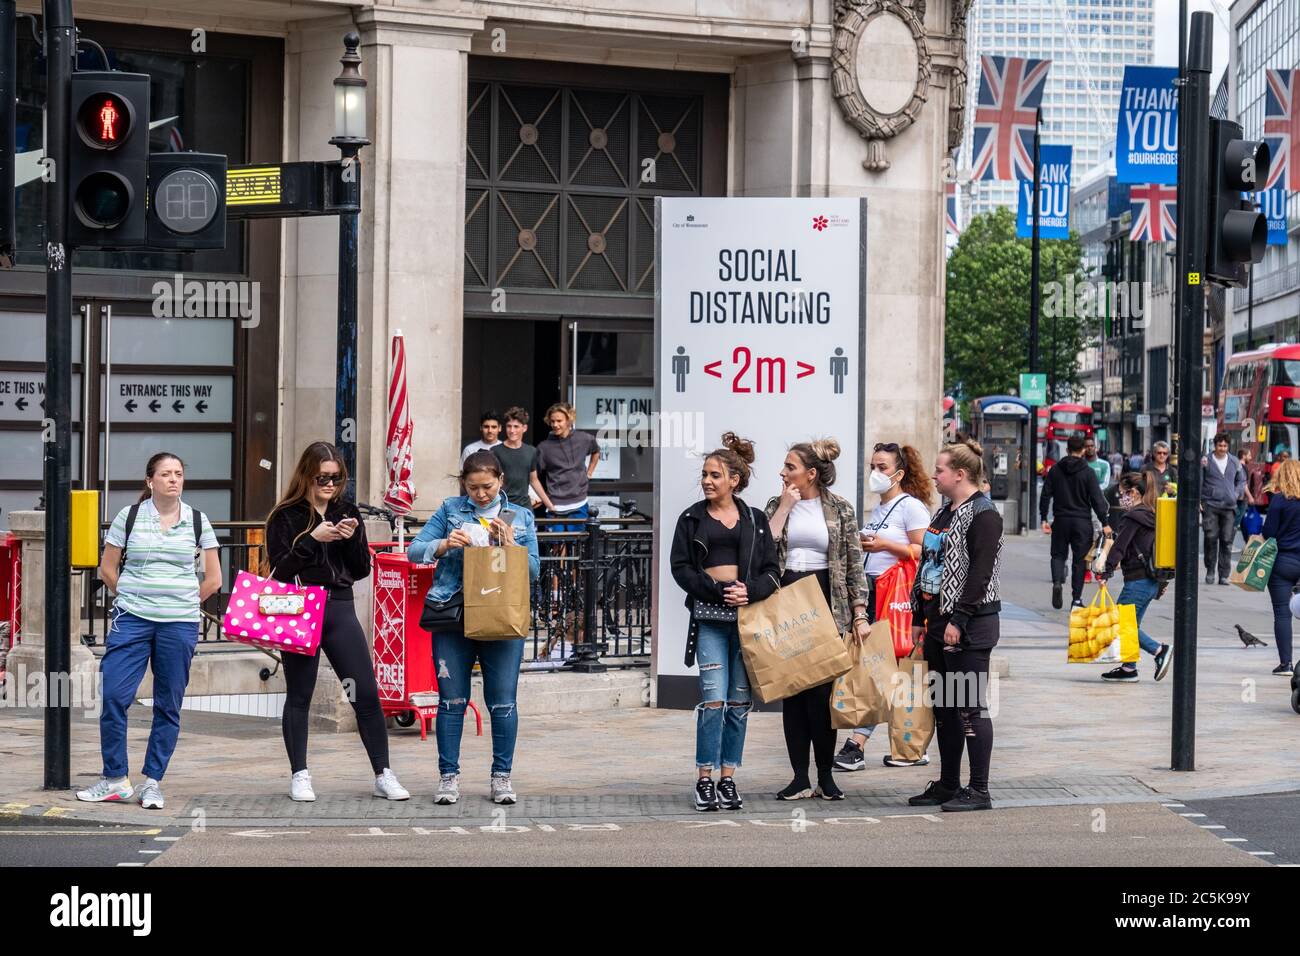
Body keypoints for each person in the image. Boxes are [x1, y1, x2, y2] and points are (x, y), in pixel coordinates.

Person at [267, 441, 409, 802]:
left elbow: (361, 568)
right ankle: (299, 773)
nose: (329, 485)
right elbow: (280, 571)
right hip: (301, 608)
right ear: (307, 476)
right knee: (300, 694)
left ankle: (384, 773)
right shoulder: (286, 515)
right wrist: (312, 540)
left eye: (336, 478)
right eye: (322, 478)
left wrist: (349, 539)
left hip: (339, 608)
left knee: (362, 690)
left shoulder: (347, 511)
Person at [77, 453, 222, 809]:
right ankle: (115, 778)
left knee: (167, 704)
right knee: (112, 695)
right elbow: (107, 569)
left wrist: (183, 602)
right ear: (150, 481)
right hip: (132, 620)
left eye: (178, 474)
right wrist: (132, 597)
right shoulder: (129, 518)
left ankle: (153, 781)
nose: (173, 480)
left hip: (179, 624)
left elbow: (214, 579)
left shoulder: (198, 521)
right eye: (165, 474)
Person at [407, 450, 541, 804]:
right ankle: (448, 778)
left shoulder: (520, 516)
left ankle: (501, 778)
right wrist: (444, 544)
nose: (481, 495)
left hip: (501, 614)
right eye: (473, 488)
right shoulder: (451, 509)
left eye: (487, 487)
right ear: (463, 484)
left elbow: (533, 571)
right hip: (454, 613)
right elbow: (414, 550)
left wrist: (511, 546)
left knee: (502, 702)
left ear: (500, 480)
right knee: (452, 699)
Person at [669, 433, 781, 811]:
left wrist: (749, 591)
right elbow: (680, 568)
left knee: (738, 701)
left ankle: (728, 778)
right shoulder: (691, 518)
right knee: (713, 699)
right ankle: (704, 779)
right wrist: (717, 590)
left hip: (747, 621)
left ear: (734, 479)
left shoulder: (756, 519)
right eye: (704, 474)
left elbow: (772, 571)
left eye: (714, 475)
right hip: (709, 618)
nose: (706, 480)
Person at [765, 439, 871, 801]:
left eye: (790, 466)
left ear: (811, 473)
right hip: (788, 595)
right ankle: (799, 777)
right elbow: (764, 550)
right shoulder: (776, 505)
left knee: (823, 696)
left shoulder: (840, 508)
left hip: (827, 598)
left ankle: (826, 776)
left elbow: (854, 563)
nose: (783, 472)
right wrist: (784, 507)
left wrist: (860, 614)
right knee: (793, 693)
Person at [906, 439, 1003, 813]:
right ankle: (949, 784)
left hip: (971, 623)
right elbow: (928, 564)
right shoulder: (944, 512)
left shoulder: (984, 514)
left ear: (960, 474)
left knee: (970, 707)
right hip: (937, 621)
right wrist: (919, 616)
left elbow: (980, 573)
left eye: (940, 469)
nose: (934, 475)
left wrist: (959, 620)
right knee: (944, 707)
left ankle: (979, 789)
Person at [833, 442, 934, 772]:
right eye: (873, 466)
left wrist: (886, 544)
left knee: (882, 668)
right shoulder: (878, 509)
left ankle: (857, 743)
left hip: (897, 597)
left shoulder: (911, 507)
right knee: (880, 668)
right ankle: (909, 744)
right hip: (876, 594)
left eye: (882, 467)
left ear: (899, 473)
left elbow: (924, 551)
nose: (875, 473)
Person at [1098, 472, 1173, 683]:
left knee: (1121, 623)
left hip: (1138, 581)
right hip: (1150, 581)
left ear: (1134, 492)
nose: (1121, 498)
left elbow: (1120, 546)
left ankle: (1159, 650)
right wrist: (1162, 583)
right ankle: (1129, 668)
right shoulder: (1155, 514)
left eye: (1123, 493)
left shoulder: (1133, 517)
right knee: (1132, 625)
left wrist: (1107, 571)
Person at [1040, 434, 1111, 610]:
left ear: (1067, 449)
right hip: (1082, 522)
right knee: (1079, 561)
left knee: (1058, 555)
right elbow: (1097, 499)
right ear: (1084, 450)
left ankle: (1057, 582)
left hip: (1061, 520)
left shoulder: (1055, 469)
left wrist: (1043, 517)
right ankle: (1076, 600)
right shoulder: (1087, 472)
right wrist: (1105, 521)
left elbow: (1045, 494)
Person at [534, 402, 602, 532]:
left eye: (559, 421)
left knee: (578, 543)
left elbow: (596, 451)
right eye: (552, 421)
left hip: (579, 503)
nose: (555, 425)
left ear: (569, 420)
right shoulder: (544, 447)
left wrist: (589, 473)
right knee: (557, 547)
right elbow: (533, 476)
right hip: (555, 505)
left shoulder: (584, 439)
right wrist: (543, 500)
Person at [1261, 458, 1300, 677]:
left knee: (1282, 614)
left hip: (1282, 562)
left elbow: (1270, 533)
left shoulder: (1278, 501)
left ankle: (1286, 664)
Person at [1201, 433, 1247, 586]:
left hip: (1229, 506)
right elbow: (1199, 481)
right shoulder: (1206, 461)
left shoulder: (1234, 461)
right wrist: (1199, 501)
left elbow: (1242, 480)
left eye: (1225, 446)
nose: (1222, 448)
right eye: (1219, 445)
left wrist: (1236, 493)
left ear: (1228, 447)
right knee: (1210, 538)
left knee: (1227, 541)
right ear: (1215, 446)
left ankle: (1223, 575)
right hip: (1210, 504)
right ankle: (1210, 571)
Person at [493, 406, 542, 510]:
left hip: (525, 506)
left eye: (516, 426)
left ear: (524, 428)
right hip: (504, 505)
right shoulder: (495, 451)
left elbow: (534, 480)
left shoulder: (531, 451)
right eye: (509, 426)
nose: (512, 430)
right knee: (505, 526)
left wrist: (550, 505)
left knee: (528, 526)